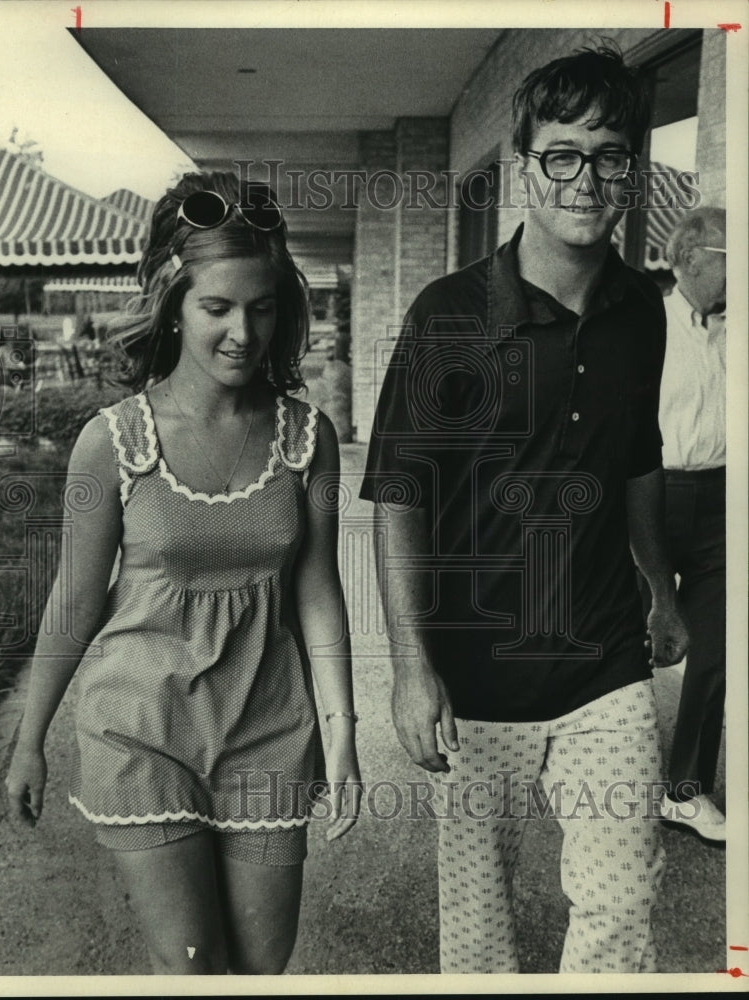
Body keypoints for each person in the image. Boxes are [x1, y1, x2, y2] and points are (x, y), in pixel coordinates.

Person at [361, 44, 688, 973]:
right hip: (479, 677)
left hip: (604, 666)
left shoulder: (643, 310)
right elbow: (398, 494)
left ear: (632, 169)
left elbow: (637, 457)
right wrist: (411, 669)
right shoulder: (448, 316)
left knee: (623, 912)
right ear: (525, 166)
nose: (587, 177)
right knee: (479, 933)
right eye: (563, 153)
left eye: (611, 154)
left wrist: (660, 589)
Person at [5, 171, 361, 975]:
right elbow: (74, 599)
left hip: (269, 728)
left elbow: (315, 587)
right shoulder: (114, 441)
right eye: (218, 308)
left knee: (262, 969)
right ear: (172, 303)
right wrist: (28, 741)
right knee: (193, 969)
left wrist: (341, 736)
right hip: (141, 731)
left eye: (263, 306)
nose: (245, 331)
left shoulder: (308, 438)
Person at [651, 208, 727, 844]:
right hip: (651, 494)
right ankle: (601, 768)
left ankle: (686, 789)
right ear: (694, 259)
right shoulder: (649, 323)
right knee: (628, 634)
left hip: (724, 500)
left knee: (717, 650)